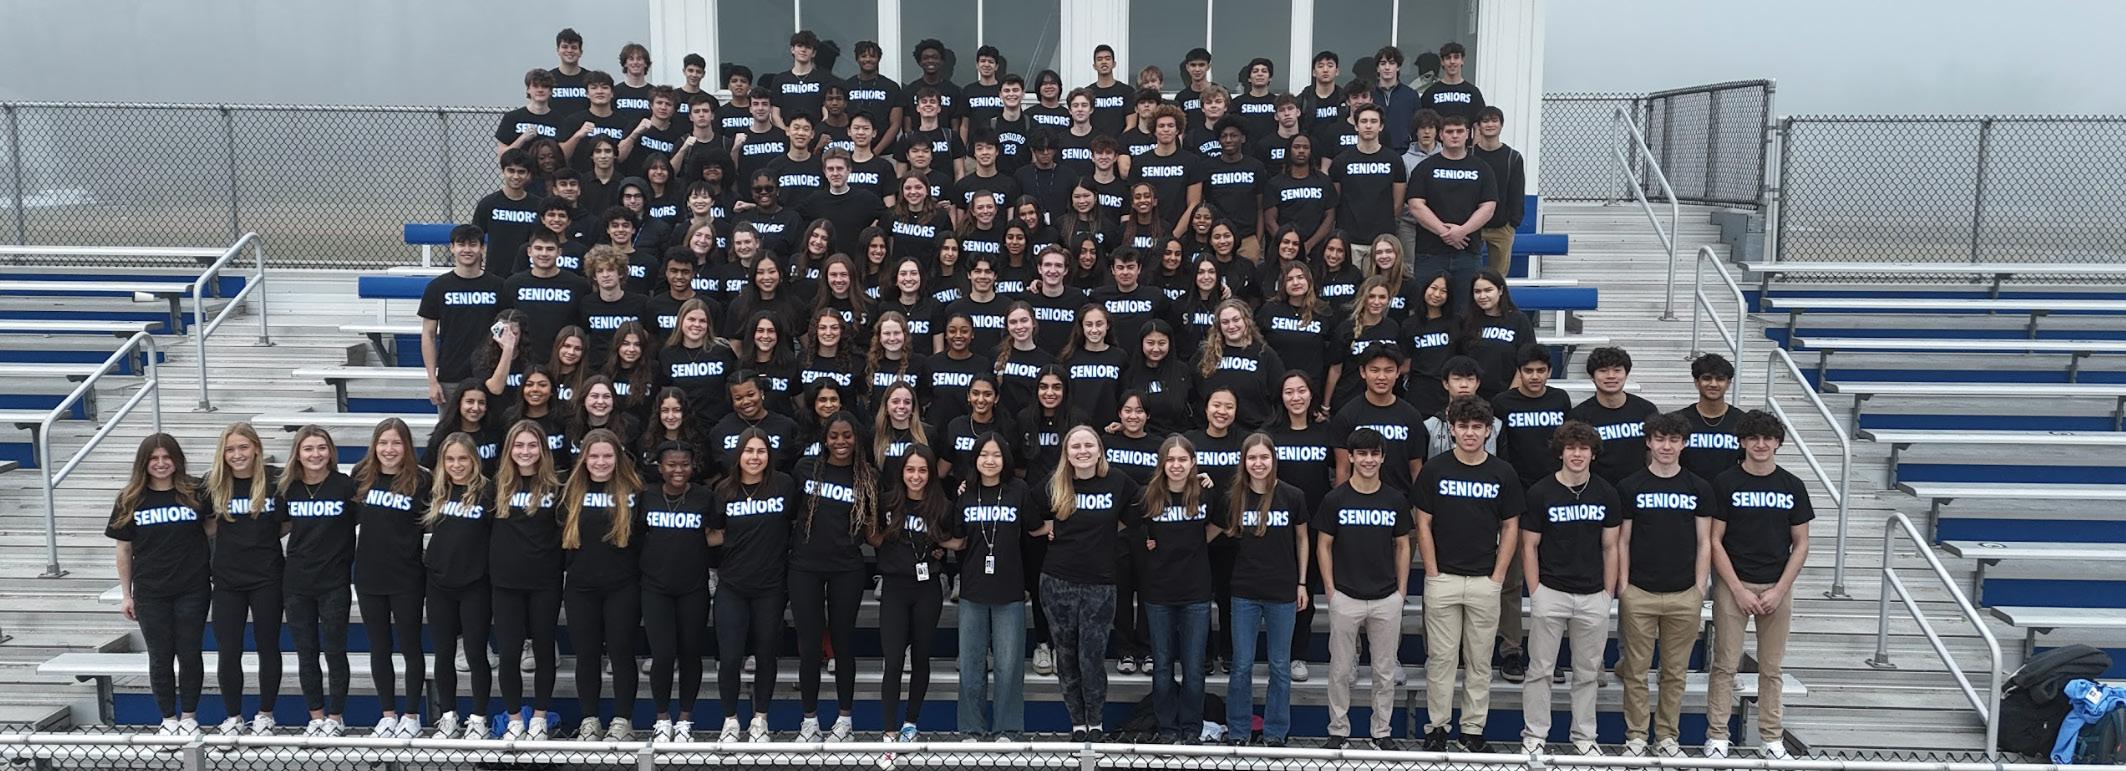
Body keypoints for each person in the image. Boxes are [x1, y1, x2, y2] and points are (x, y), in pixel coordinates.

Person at [1415, 395, 1523, 753]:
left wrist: (1498, 577)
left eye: (1477, 427)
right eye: (1463, 426)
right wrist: (1432, 572)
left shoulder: (1503, 472)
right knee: (1441, 660)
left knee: (1479, 661)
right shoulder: (1435, 469)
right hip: (1443, 578)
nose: (1470, 433)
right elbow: (1423, 523)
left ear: (1489, 430)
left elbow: (1510, 527)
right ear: (1452, 429)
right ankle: (1437, 728)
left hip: (1484, 580)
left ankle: (1472, 731)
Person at [1705, 410, 1813, 760]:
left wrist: (1779, 590)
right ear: (1742, 442)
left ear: (1778, 442)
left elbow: (1802, 544)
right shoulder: (1725, 482)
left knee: (1771, 667)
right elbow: (1714, 540)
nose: (1761, 444)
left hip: (1776, 586)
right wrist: (1736, 588)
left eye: (1768, 438)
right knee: (1725, 664)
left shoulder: (1792, 485)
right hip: (1733, 584)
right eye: (1753, 438)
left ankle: (1771, 737)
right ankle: (1717, 735)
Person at [1517, 420, 1621, 756]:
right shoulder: (1540, 492)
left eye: (1584, 448)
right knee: (1540, 670)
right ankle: (1535, 736)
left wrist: (1607, 593)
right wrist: (1536, 591)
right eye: (1571, 448)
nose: (1577, 454)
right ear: (1560, 452)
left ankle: (1584, 738)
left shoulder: (1606, 492)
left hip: (1593, 595)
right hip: (1551, 591)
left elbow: (1611, 547)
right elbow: (1529, 546)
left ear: (1593, 454)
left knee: (1587, 673)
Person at [1615, 411, 1714, 758]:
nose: (1666, 446)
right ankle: (1636, 736)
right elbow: (1622, 540)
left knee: (1674, 673)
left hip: (1684, 593)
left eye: (1673, 440)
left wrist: (1699, 588)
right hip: (1639, 592)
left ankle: (1668, 737)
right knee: (1636, 671)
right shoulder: (1630, 486)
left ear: (1684, 444)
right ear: (1649, 442)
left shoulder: (1699, 487)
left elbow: (1705, 541)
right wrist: (1624, 586)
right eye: (1660, 439)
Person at [1038, 425, 1144, 742]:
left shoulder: (1118, 481)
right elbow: (1028, 513)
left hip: (1100, 583)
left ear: (1099, 450)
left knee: (1092, 657)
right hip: (1057, 582)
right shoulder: (1055, 482)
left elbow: (1141, 509)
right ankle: (1077, 724)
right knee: (1066, 656)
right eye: (1076, 446)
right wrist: (1049, 527)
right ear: (1067, 453)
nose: (1082, 451)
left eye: (1088, 445)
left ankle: (1095, 722)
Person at [1314, 427, 1411, 750]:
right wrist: (1331, 590)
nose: (1368, 460)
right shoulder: (1335, 499)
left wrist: (1401, 591)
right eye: (1362, 454)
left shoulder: (1395, 499)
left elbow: (1403, 546)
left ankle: (1381, 732)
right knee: (1340, 670)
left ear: (1382, 458)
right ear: (1352, 457)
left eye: (1374, 454)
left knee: (1384, 672)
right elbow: (1323, 545)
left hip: (1386, 597)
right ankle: (1338, 730)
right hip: (1346, 595)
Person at [110, 434, 211, 736]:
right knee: (160, 656)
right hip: (151, 591)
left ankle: (189, 717)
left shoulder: (195, 491)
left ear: (177, 460)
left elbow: (212, 528)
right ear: (144, 463)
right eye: (154, 458)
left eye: (167, 457)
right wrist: (126, 594)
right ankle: (168, 720)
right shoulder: (130, 498)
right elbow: (123, 549)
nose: (161, 463)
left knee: (190, 653)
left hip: (192, 588)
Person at [786, 410, 874, 740]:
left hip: (846, 568)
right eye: (834, 436)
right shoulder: (805, 469)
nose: (841, 442)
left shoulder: (868, 477)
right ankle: (809, 721)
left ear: (856, 438)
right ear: (824, 439)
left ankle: (844, 720)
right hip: (805, 566)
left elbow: (873, 528)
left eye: (847, 436)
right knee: (809, 647)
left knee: (842, 643)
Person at [709, 429, 800, 742]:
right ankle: (730, 721)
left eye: (761, 451)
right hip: (732, 584)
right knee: (730, 657)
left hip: (770, 586)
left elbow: (795, 524)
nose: (755, 457)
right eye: (749, 451)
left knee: (765, 656)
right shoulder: (723, 490)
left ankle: (760, 719)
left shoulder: (784, 485)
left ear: (769, 456)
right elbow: (715, 533)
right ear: (738, 455)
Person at [1223, 432, 1310, 746]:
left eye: (1264, 457)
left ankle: (1275, 733)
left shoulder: (1292, 495)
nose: (1258, 463)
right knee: (1241, 665)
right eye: (1252, 457)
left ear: (1273, 459)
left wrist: (1302, 582)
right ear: (1244, 461)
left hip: (1282, 591)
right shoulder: (1234, 496)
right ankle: (1238, 731)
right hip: (1244, 591)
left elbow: (1303, 539)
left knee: (1280, 667)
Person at [871, 445, 962, 743]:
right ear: (902, 472)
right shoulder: (887, 502)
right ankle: (888, 730)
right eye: (910, 469)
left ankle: (910, 723)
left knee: (921, 658)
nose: (916, 476)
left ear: (931, 473)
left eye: (922, 470)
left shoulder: (942, 506)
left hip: (927, 588)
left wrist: (941, 545)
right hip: (895, 587)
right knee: (894, 661)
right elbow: (874, 536)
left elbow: (958, 541)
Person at [951, 432, 1038, 739]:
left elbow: (1035, 528)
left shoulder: (1019, 490)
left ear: (1005, 459)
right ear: (975, 459)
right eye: (984, 455)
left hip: (1010, 589)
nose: (990, 460)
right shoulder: (966, 492)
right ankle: (971, 730)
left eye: (996, 455)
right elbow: (958, 539)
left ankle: (1008, 729)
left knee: (1009, 666)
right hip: (972, 590)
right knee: (971, 666)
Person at [560, 429, 645, 741]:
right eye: (594, 456)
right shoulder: (570, 492)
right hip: (581, 587)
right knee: (587, 655)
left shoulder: (635, 491)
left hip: (622, 586)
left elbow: (644, 539)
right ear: (584, 458)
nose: (600, 462)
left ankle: (623, 720)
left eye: (607, 455)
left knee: (621, 654)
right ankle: (589, 719)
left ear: (617, 457)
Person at [203, 423, 283, 735]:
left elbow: (286, 522)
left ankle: (265, 714)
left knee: (268, 646)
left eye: (243, 447)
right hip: (227, 580)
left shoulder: (275, 481)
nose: (237, 454)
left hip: (267, 577)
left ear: (256, 449)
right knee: (229, 650)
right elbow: (207, 525)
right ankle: (233, 717)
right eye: (230, 449)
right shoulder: (213, 484)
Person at [277, 427, 357, 736]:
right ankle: (316, 716)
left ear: (331, 452)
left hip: (334, 581)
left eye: (321, 448)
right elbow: (280, 527)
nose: (315, 454)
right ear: (298, 454)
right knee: (306, 652)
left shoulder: (345, 486)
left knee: (335, 651)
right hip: (297, 583)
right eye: (308, 449)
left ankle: (335, 717)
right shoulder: (289, 488)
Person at [352, 419, 430, 737]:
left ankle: (411, 716)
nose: (389, 449)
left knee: (411, 646)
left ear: (406, 446)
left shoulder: (421, 480)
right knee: (379, 646)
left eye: (396, 442)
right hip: (369, 575)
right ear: (374, 445)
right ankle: (387, 714)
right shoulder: (361, 476)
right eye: (383, 442)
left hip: (407, 576)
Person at [490, 420, 566, 741]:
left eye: (532, 445)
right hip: (506, 582)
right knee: (509, 654)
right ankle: (513, 719)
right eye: (519, 445)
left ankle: (538, 718)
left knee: (544, 650)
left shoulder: (557, 487)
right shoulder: (495, 486)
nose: (525, 451)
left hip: (545, 581)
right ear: (509, 450)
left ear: (542, 450)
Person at [639, 441, 716, 742]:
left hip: (693, 587)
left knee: (690, 655)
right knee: (662, 655)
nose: (678, 470)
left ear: (693, 466)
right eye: (671, 464)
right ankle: (662, 718)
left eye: (684, 464)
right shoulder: (647, 496)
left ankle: (685, 719)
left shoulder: (704, 496)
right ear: (660, 468)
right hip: (655, 587)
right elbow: (637, 535)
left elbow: (716, 533)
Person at [423, 433, 494, 739]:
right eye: (450, 459)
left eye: (463, 458)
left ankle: (478, 718)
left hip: (475, 584)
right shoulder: (436, 490)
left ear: (474, 460)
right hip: (439, 583)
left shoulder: (488, 492)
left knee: (476, 654)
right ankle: (448, 715)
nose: (456, 465)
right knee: (444, 654)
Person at [1407, 114, 1498, 291]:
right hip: (1430, 253)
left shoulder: (1482, 168)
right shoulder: (1425, 168)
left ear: (1468, 134)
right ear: (1441, 135)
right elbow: (1415, 205)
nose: (1454, 135)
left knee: (1466, 305)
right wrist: (1445, 232)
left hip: (1468, 252)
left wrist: (1462, 231)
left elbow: (1488, 207)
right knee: (1427, 303)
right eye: (1449, 131)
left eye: (1459, 131)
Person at [419, 225, 506, 405]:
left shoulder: (498, 286)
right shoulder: (437, 287)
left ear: (482, 248)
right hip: (450, 375)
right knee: (450, 424)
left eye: (473, 244)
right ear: (452, 248)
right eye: (461, 244)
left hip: (489, 376)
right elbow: (428, 334)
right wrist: (432, 380)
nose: (467, 249)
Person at [1327, 343, 1429, 490]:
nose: (1381, 377)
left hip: (1401, 499)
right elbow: (1343, 470)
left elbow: (1415, 469)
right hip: (1358, 500)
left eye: (1388, 370)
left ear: (1398, 372)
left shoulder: (1411, 416)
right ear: (1363, 372)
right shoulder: (1347, 415)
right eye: (1374, 370)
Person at [1571, 346, 1662, 484]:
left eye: (1617, 370)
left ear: (1626, 374)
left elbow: (1653, 453)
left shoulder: (1646, 410)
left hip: (1637, 487)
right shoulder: (1579, 415)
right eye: (1603, 371)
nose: (1611, 376)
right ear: (1592, 376)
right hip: (1597, 488)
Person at [1328, 103, 1406, 261]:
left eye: (1373, 121)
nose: (1368, 126)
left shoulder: (1394, 160)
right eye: (1363, 121)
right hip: (1350, 241)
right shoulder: (1340, 161)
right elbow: (1335, 199)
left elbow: (1398, 204)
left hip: (1382, 242)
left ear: (1381, 126)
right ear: (1356, 126)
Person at [504, 230, 591, 363]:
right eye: (538, 248)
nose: (544, 254)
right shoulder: (513, 284)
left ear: (559, 252)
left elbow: (584, 327)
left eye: (550, 249)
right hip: (523, 360)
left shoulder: (578, 285)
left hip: (564, 360)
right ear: (529, 251)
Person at [1457, 271, 1535, 399]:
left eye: (1488, 290)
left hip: (1507, 396)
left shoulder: (1519, 320)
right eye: (1477, 291)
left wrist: (1510, 396)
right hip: (1473, 398)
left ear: (1500, 290)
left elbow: (1527, 361)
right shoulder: (1466, 321)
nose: (1482, 296)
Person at [1471, 106, 1527, 278]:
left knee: (1498, 279)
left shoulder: (1513, 157)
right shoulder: (1468, 155)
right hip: (1472, 227)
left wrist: (1512, 223)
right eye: (1485, 121)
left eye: (1494, 120)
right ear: (1478, 126)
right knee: (1469, 276)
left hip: (1502, 227)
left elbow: (1517, 192)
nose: (1490, 124)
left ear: (1501, 125)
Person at [1674, 353, 1743, 481]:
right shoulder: (1677, 421)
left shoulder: (1742, 421)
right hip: (1687, 490)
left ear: (1728, 383)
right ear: (1696, 382)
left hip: (1728, 490)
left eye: (1720, 379)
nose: (1713, 384)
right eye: (1707, 378)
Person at [843, 41, 906, 151]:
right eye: (863, 56)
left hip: (885, 152)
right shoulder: (847, 86)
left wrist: (875, 153)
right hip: (853, 152)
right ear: (857, 59)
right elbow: (842, 120)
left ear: (878, 59)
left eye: (872, 56)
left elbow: (896, 124)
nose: (868, 59)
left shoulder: (891, 87)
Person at [764, 31, 835, 125]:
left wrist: (815, 132)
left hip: (816, 132)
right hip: (787, 132)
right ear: (792, 49)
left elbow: (826, 113)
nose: (803, 50)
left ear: (813, 53)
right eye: (800, 46)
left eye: (808, 47)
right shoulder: (780, 80)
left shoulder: (824, 79)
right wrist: (786, 131)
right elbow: (775, 114)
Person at [1370, 46, 1422, 155]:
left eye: (1392, 63)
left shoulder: (1411, 95)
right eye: (1383, 63)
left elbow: (1418, 125)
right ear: (1377, 68)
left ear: (1398, 67)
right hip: (1374, 150)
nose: (1387, 67)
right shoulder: (1369, 94)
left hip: (1404, 151)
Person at [500, 69, 564, 156]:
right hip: (520, 164)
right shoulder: (512, 117)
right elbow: (502, 155)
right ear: (528, 90)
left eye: (545, 86)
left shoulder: (559, 120)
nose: (540, 90)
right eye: (535, 86)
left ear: (551, 91)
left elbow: (562, 154)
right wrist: (522, 138)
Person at [1419, 42, 1486, 123]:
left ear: (1462, 60)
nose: (1452, 61)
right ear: (1442, 61)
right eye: (1448, 58)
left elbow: (1480, 123)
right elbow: (1422, 122)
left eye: (1456, 57)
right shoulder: (1430, 93)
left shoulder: (1473, 92)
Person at [1084, 45, 1133, 138]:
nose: (1104, 62)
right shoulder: (1087, 93)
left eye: (1107, 58)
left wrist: (1120, 142)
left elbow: (1131, 124)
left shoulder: (1127, 91)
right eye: (1099, 59)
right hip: (1094, 144)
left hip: (1120, 144)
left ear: (1114, 64)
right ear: (1094, 66)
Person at [1298, 50, 1345, 130]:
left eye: (1330, 66)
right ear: (1314, 72)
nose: (1325, 70)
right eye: (1320, 66)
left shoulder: (1344, 99)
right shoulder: (1303, 99)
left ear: (1337, 71)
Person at [547, 29, 589, 115]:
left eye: (574, 47)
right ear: (558, 50)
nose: (569, 50)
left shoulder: (591, 79)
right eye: (565, 47)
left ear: (581, 52)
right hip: (555, 123)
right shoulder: (547, 79)